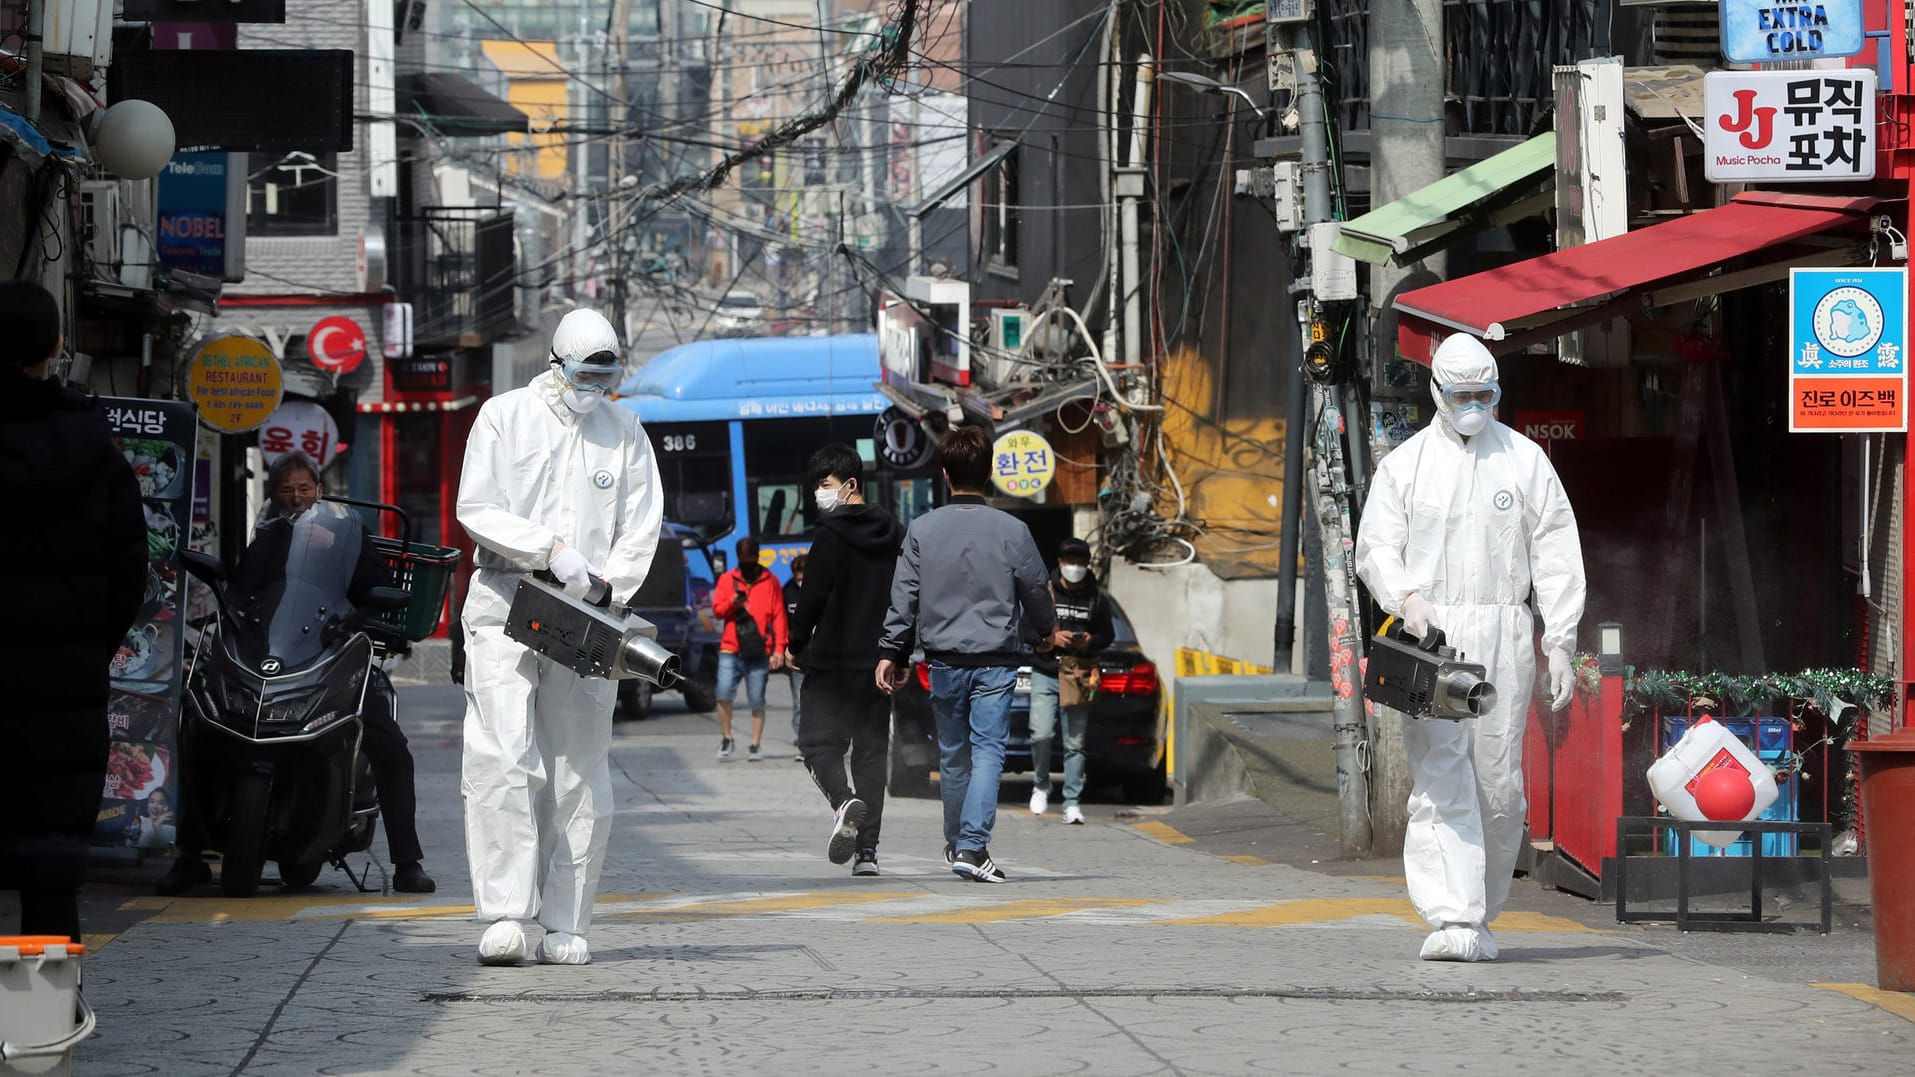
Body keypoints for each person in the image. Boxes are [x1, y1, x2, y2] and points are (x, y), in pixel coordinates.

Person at [1354, 333, 1585, 963]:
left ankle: (1481, 913)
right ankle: (1451, 915)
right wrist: (1406, 598)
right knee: (1440, 775)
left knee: (1498, 781)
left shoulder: (1526, 461)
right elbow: (1375, 546)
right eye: (1463, 395)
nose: (1474, 405)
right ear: (1437, 393)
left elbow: (1557, 553)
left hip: (1505, 633)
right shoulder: (1405, 466)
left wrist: (1557, 641)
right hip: (1434, 638)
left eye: (1485, 394)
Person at [457, 308, 663, 966]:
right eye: (586, 374)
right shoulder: (502, 417)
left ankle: (568, 919)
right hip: (505, 596)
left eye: (608, 375)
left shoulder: (624, 429)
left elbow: (641, 523)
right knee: (503, 756)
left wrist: (607, 587)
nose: (595, 387)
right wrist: (546, 548)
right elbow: (475, 507)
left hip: (587, 618)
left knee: (578, 765)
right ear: (557, 364)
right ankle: (506, 911)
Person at [158, 453, 438, 895]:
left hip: (329, 653)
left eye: (304, 489)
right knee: (197, 725)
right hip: (267, 660)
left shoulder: (349, 536)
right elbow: (241, 592)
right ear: (274, 495)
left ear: (320, 491)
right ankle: (188, 853)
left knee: (388, 743)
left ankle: (407, 861)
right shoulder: (268, 537)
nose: (296, 498)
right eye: (287, 490)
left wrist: (358, 609)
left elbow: (376, 589)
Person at [0, 280, 146, 942]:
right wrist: (83, 647)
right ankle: (46, 1022)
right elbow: (129, 580)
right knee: (51, 872)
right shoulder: (99, 458)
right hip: (64, 699)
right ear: (57, 346)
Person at [877, 427, 1059, 883]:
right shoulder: (1013, 530)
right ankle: (973, 847)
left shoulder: (922, 528)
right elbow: (1035, 589)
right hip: (995, 660)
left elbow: (905, 598)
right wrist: (1045, 632)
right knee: (989, 752)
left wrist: (891, 653)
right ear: (990, 472)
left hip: (942, 661)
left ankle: (958, 842)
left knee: (954, 754)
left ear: (943, 473)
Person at [787, 444, 905, 875]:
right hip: (878, 662)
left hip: (832, 661)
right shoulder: (896, 532)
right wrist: (899, 654)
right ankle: (867, 853)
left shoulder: (830, 534)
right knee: (871, 754)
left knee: (817, 745)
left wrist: (795, 645)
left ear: (850, 484)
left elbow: (811, 598)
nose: (819, 493)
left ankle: (843, 802)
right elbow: (906, 598)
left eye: (825, 484)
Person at [1027, 537, 1114, 825]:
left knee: (1075, 742)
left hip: (1078, 673)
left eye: (1080, 561)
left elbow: (1107, 634)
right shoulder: (1046, 591)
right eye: (1069, 561)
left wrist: (1090, 640)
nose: (1074, 566)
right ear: (1060, 563)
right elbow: (1026, 628)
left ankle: (1072, 802)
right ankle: (1041, 784)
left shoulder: (1096, 597)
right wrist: (1052, 637)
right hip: (1045, 671)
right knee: (1040, 733)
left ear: (1087, 563)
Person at [711, 535, 787, 761]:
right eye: (743, 559)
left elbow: (779, 616)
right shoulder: (727, 580)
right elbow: (717, 611)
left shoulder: (770, 581)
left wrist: (779, 649)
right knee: (723, 693)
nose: (747, 562)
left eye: (750, 558)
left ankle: (755, 744)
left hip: (759, 649)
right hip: (730, 647)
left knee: (756, 699)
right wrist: (732, 604)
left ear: (757, 556)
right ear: (738, 558)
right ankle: (727, 738)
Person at [784, 553, 806, 743]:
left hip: (820, 654)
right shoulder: (788, 591)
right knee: (799, 701)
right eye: (796, 574)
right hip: (798, 655)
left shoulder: (822, 591)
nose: (800, 579)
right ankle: (801, 738)